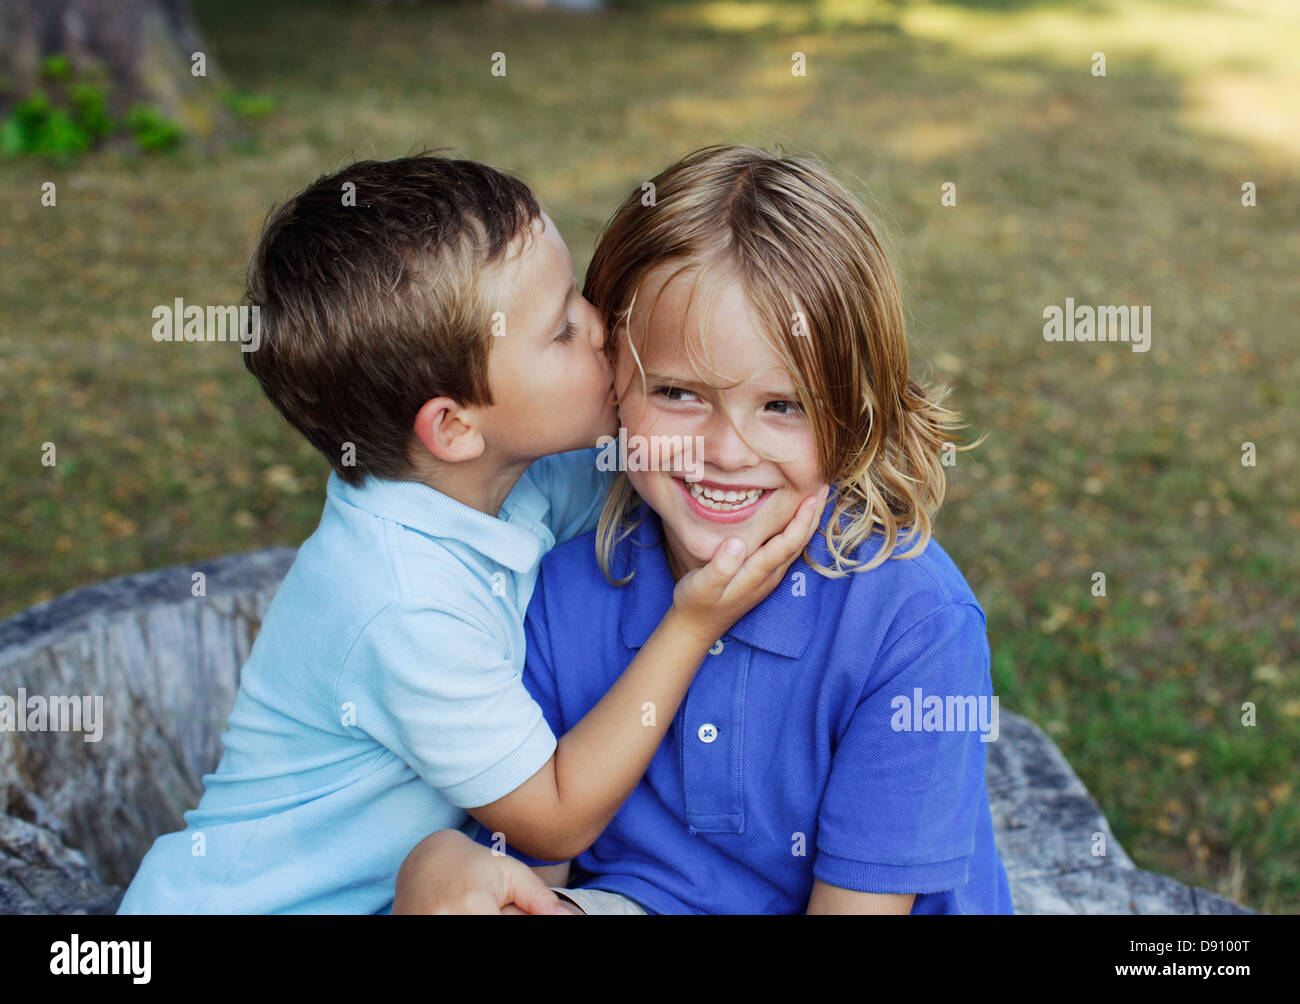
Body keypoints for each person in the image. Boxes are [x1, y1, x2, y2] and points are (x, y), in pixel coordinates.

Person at [117, 151, 824, 914]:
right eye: (560, 329)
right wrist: (694, 623)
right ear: (454, 426)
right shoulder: (403, 600)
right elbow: (556, 819)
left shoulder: (502, 480)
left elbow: (671, 466)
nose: (599, 323)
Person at [396, 145, 1014, 914]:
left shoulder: (911, 624)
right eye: (680, 393)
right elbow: (537, 865)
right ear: (610, 371)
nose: (725, 453)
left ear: (856, 409)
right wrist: (459, 872)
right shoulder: (564, 581)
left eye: (782, 406)